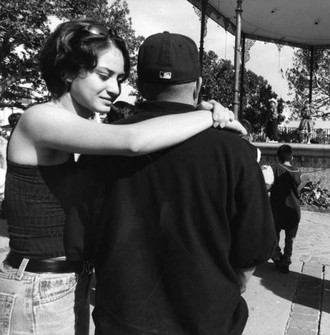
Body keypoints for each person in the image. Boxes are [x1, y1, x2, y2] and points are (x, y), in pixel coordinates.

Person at [0, 19, 242, 335]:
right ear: (68, 71)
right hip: (38, 283)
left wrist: (202, 110)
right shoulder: (40, 119)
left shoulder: (83, 128)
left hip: (67, 281)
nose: (115, 89)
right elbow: (134, 141)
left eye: (120, 78)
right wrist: (207, 115)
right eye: (104, 76)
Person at [72, 31, 276, 334]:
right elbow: (253, 249)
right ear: (198, 86)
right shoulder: (232, 151)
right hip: (207, 323)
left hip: (122, 323)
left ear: (139, 85)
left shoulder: (103, 145)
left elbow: (81, 242)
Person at [270, 144, 302, 273]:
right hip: (293, 210)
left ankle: (277, 256)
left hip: (276, 209)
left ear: (277, 157)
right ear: (292, 157)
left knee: (273, 235)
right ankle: (286, 259)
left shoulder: (274, 168)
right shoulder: (298, 171)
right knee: (290, 239)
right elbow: (298, 187)